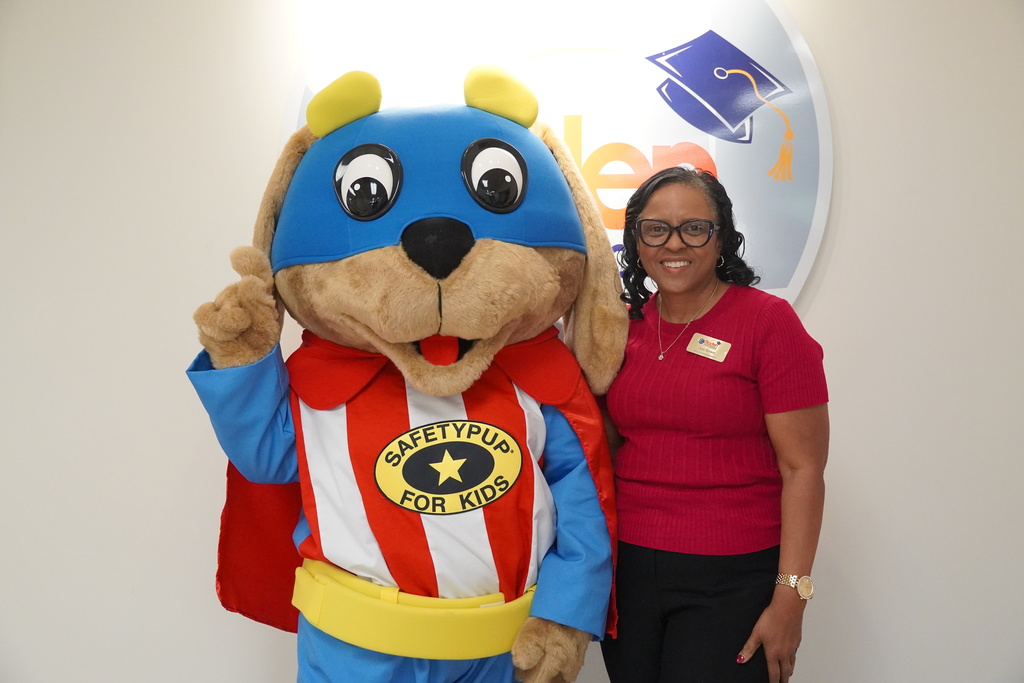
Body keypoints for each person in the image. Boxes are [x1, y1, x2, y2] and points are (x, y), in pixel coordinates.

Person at [599, 167, 829, 683]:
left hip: (732, 577)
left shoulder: (768, 323)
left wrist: (792, 597)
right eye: (656, 229)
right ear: (636, 241)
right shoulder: (621, 327)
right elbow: (609, 445)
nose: (674, 244)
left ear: (721, 236)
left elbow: (804, 468)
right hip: (628, 572)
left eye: (694, 228)